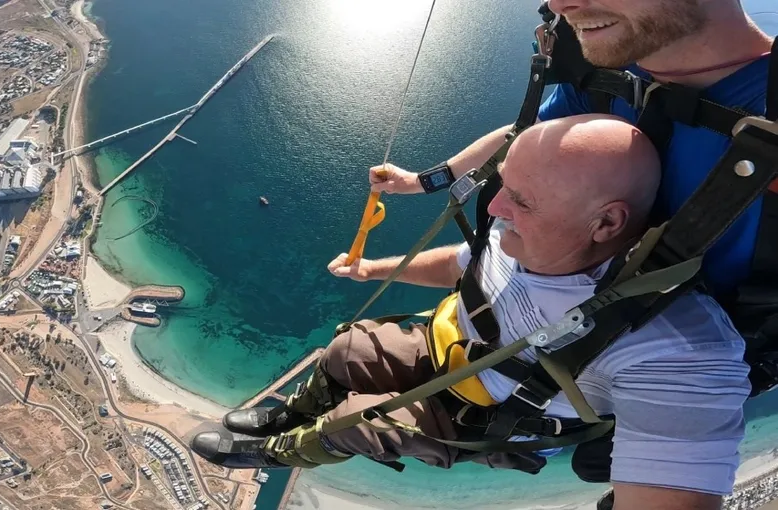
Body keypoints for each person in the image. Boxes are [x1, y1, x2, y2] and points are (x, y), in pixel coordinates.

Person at [191, 115, 751, 510]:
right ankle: (291, 415)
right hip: (452, 353)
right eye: (504, 186)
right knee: (346, 348)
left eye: (521, 200)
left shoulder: (673, 346)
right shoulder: (526, 234)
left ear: (605, 222)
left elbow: (676, 491)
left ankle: (277, 452)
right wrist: (372, 269)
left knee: (357, 421)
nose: (499, 209)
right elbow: (461, 264)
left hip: (492, 417)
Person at [371, 0, 773, 296]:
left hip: (641, 380)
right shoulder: (609, 74)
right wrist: (423, 182)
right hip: (531, 335)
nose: (561, 5)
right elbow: (526, 135)